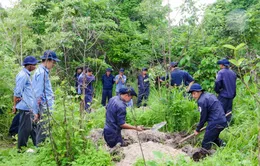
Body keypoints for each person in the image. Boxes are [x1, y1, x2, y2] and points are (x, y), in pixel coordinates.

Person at [32, 50, 60, 145]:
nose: (54, 65)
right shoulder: (42, 73)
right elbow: (37, 93)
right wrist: (35, 111)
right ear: (47, 60)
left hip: (45, 105)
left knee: (43, 129)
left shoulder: (42, 72)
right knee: (43, 130)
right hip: (44, 106)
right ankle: (39, 149)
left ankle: (40, 148)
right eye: (53, 62)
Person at [188, 83, 227, 150]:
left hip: (215, 122)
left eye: (194, 93)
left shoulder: (201, 101)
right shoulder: (210, 95)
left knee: (206, 143)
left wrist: (197, 129)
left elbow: (203, 117)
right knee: (214, 138)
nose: (193, 96)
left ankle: (204, 157)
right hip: (222, 120)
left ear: (199, 92)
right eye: (192, 94)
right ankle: (225, 147)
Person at [13, 56, 38, 150]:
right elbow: (17, 91)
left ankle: (38, 145)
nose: (35, 66)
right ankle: (21, 149)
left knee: (33, 126)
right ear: (29, 65)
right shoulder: (23, 75)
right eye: (34, 65)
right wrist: (15, 105)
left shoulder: (26, 74)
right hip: (25, 106)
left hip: (29, 106)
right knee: (25, 128)